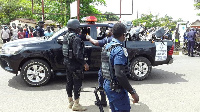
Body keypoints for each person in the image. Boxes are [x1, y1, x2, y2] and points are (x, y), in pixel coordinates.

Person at [101, 23, 139, 112]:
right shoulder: (119, 50)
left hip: (108, 85)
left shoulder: (107, 47)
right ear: (124, 35)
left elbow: (103, 69)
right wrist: (132, 92)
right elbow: (120, 74)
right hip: (116, 88)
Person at [62, 19, 89, 111]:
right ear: (75, 28)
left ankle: (70, 102)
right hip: (75, 65)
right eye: (78, 27)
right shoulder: (76, 39)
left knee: (69, 83)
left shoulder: (66, 36)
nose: (79, 29)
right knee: (77, 83)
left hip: (67, 63)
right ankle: (76, 105)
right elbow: (78, 54)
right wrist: (84, 64)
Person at [86, 28, 113, 107]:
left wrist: (89, 38)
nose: (107, 31)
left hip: (106, 65)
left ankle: (103, 101)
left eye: (109, 29)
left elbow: (95, 42)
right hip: (113, 65)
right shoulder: (116, 39)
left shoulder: (109, 39)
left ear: (112, 31)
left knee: (102, 81)